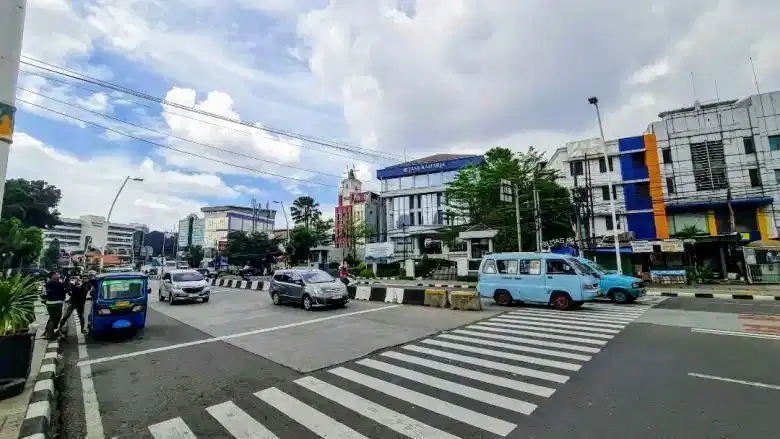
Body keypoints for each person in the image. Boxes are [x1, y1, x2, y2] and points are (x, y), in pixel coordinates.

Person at [42, 271, 66, 340]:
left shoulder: (47, 284)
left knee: (52, 318)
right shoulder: (58, 284)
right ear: (52, 276)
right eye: (56, 274)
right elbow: (63, 293)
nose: (57, 275)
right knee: (54, 319)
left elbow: (44, 294)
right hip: (56, 303)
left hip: (50, 303)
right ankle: (50, 335)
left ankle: (47, 332)